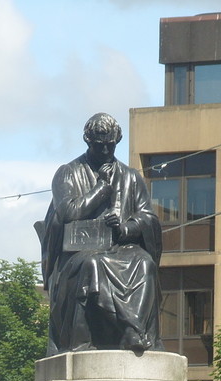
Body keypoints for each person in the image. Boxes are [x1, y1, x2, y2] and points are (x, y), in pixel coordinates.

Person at [37, 112, 164, 355]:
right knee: (94, 264)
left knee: (145, 264)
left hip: (122, 246)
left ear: (118, 140)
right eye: (99, 145)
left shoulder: (130, 177)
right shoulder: (68, 173)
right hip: (78, 252)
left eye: (111, 144)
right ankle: (118, 332)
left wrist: (124, 228)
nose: (106, 150)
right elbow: (67, 212)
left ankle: (132, 333)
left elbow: (148, 217)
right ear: (88, 140)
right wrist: (101, 189)